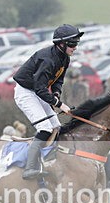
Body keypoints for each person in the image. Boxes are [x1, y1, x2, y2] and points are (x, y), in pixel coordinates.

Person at [13, 24, 83, 180]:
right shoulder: (47, 60)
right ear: (61, 44)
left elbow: (58, 80)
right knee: (45, 128)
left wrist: (56, 95)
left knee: (57, 127)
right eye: (72, 44)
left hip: (38, 92)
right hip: (26, 92)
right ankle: (30, 168)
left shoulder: (65, 58)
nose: (75, 47)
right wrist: (59, 104)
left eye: (76, 43)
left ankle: (49, 161)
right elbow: (40, 89)